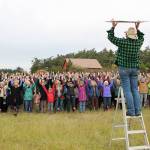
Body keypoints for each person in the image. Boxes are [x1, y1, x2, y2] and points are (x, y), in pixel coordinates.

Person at [107, 20, 144, 116]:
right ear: (135, 35)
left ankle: (131, 111)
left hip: (124, 69)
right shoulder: (138, 43)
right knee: (135, 90)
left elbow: (111, 37)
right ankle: (138, 110)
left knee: (127, 90)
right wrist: (137, 28)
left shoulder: (123, 42)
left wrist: (113, 27)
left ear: (127, 35)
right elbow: (141, 37)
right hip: (134, 69)